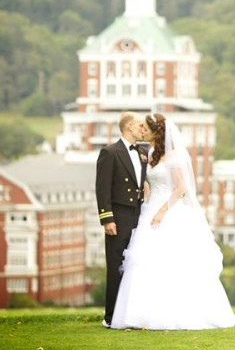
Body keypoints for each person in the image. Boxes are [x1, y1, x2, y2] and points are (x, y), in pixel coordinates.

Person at [111, 112, 235, 330]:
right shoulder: (149, 154)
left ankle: (178, 313)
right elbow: (148, 182)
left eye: (145, 128)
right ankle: (141, 315)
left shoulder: (174, 155)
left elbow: (181, 188)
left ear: (155, 132)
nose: (142, 131)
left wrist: (162, 211)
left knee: (174, 262)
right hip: (150, 209)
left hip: (169, 211)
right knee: (145, 262)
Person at [95, 111, 148, 328]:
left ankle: (132, 314)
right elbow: (102, 188)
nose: (142, 129)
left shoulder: (143, 151)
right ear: (128, 127)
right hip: (119, 215)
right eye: (139, 125)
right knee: (116, 266)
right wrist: (107, 219)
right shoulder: (110, 152)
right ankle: (111, 317)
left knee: (135, 265)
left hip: (139, 214)